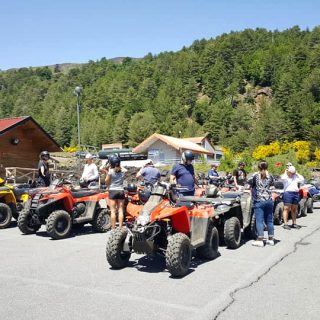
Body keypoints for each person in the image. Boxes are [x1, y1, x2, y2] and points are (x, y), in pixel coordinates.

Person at [248, 161, 275, 247]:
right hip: (269, 200)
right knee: (269, 221)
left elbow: (248, 184)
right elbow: (273, 185)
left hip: (259, 201)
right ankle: (271, 240)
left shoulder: (255, 175)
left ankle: (260, 240)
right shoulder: (270, 176)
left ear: (258, 167)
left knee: (259, 221)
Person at [281, 165, 304, 230]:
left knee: (294, 209)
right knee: (286, 209)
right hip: (288, 193)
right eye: (291, 172)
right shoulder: (285, 177)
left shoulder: (295, 177)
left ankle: (294, 223)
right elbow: (282, 178)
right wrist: (286, 172)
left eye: (293, 173)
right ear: (288, 172)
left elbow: (302, 179)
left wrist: (296, 173)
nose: (292, 174)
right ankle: (285, 224)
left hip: (295, 193)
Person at [105, 155, 125, 230]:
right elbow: (122, 168)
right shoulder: (123, 171)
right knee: (120, 210)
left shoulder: (110, 171)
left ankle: (113, 228)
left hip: (113, 191)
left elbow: (106, 181)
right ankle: (120, 227)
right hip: (121, 190)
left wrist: (108, 185)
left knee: (113, 211)